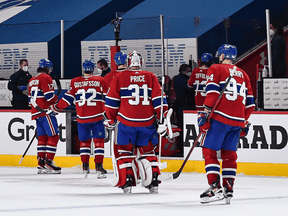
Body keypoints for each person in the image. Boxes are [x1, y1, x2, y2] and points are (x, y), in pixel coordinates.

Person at [104, 50, 170, 194]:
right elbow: (159, 100)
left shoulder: (120, 77)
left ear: (128, 62)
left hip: (125, 123)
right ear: (141, 62)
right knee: (148, 152)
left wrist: (110, 119)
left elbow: (111, 102)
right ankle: (153, 181)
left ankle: (127, 181)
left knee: (124, 152)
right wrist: (162, 118)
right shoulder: (151, 76)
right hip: (148, 123)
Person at [197, 44, 255, 204]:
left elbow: (212, 94)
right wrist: (243, 120)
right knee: (229, 154)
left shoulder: (216, 68)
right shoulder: (244, 74)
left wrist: (205, 114)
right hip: (237, 121)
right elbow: (250, 104)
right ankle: (228, 189)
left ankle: (215, 188)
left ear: (221, 56)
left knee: (209, 151)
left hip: (219, 117)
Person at [47, 60, 107, 179]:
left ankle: (85, 167)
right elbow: (107, 98)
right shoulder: (101, 80)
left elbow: (67, 99)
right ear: (93, 69)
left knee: (84, 142)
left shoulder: (75, 82)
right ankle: (99, 168)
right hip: (97, 117)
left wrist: (56, 108)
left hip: (82, 118)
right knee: (99, 142)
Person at [28, 59, 61, 174]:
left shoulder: (32, 80)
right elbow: (50, 97)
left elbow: (29, 100)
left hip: (36, 113)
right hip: (45, 111)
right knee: (54, 135)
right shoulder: (46, 78)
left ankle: (41, 163)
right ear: (47, 68)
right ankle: (49, 162)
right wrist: (59, 101)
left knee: (42, 138)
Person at [172, 64, 195, 156]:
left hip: (180, 106)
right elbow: (189, 89)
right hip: (186, 106)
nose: (189, 72)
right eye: (188, 70)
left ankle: (180, 148)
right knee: (185, 129)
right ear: (184, 71)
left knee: (182, 128)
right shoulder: (184, 81)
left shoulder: (176, 78)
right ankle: (183, 148)